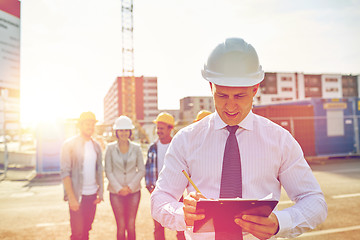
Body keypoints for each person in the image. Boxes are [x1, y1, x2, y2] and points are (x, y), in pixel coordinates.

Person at [151, 38, 327, 239]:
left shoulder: (280, 140)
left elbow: (314, 201)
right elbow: (160, 198)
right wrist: (181, 213)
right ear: (211, 87)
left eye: (240, 96)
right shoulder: (186, 140)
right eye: (223, 96)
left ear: (255, 89)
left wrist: (280, 222)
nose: (230, 107)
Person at [60, 111, 104, 240]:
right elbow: (65, 172)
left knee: (86, 230)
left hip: (92, 196)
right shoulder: (69, 145)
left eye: (92, 124)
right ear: (80, 125)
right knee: (77, 233)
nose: (90, 126)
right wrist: (71, 198)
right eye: (87, 123)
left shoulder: (96, 146)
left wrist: (100, 193)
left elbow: (99, 170)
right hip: (77, 196)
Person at [146, 112, 185, 240]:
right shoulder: (152, 147)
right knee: (158, 227)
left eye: (161, 128)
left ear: (170, 129)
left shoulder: (178, 147)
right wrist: (151, 189)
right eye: (157, 128)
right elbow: (148, 170)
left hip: (177, 193)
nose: (158, 131)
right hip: (158, 192)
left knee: (181, 227)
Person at [105, 115, 145, 240]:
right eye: (121, 130)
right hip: (115, 193)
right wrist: (119, 188)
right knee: (121, 225)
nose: (123, 133)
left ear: (130, 131)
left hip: (134, 192)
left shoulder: (137, 148)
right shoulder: (110, 148)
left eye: (126, 130)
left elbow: (141, 170)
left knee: (131, 225)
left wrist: (130, 187)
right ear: (116, 132)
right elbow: (108, 170)